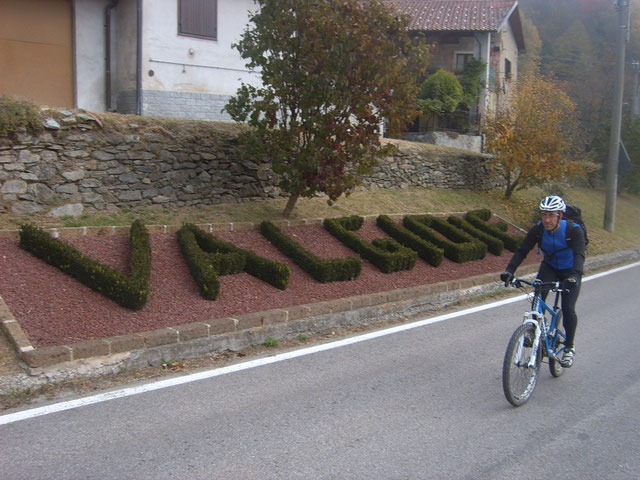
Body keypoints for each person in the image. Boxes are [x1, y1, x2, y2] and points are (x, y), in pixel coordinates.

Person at [500, 195, 586, 367]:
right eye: (544, 215)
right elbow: (522, 250)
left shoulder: (573, 230)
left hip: (570, 270)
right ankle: (533, 331)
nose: (547, 220)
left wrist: (575, 275)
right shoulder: (538, 230)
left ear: (559, 216)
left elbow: (579, 254)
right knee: (538, 296)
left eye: (551, 215)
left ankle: (569, 347)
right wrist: (510, 270)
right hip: (550, 267)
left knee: (568, 307)